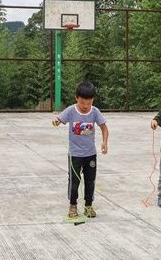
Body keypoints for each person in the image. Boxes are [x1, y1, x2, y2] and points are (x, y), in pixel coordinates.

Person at [53, 82, 109, 219]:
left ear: (92, 100)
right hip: (75, 155)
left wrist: (104, 142)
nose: (85, 107)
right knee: (74, 181)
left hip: (90, 154)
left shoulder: (95, 111)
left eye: (88, 103)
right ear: (76, 98)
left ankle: (88, 206)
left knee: (90, 181)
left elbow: (104, 127)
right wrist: (56, 121)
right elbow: (59, 119)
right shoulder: (71, 110)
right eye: (83, 103)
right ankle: (72, 205)